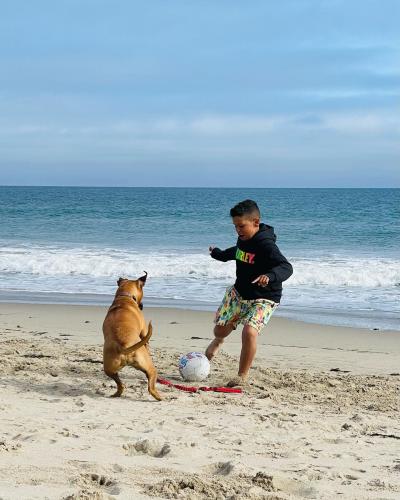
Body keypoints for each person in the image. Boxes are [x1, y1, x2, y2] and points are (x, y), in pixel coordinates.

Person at [205, 199, 293, 387]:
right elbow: (237, 252)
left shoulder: (266, 245)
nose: (238, 230)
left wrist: (270, 276)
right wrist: (218, 254)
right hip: (240, 293)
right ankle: (219, 340)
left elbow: (286, 267)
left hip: (265, 297)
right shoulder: (243, 239)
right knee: (219, 330)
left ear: (256, 222)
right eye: (235, 226)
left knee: (249, 332)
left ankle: (241, 375)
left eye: (242, 226)